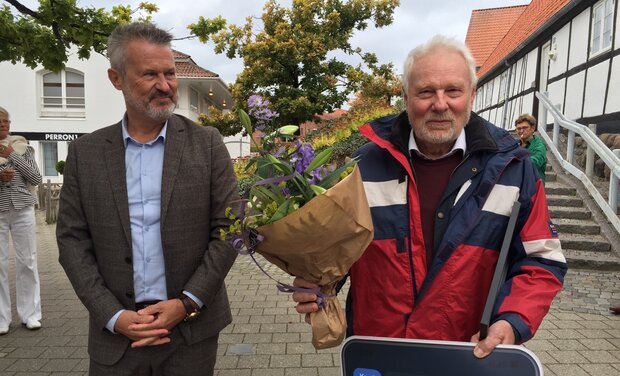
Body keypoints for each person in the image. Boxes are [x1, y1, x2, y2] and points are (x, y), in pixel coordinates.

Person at [293, 36, 567, 358]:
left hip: (468, 354)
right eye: (425, 92)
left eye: (453, 90)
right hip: (380, 352)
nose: (440, 104)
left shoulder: (513, 170)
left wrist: (513, 320)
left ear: (472, 95)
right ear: (406, 97)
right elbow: (336, 252)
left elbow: (542, 260)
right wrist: (318, 286)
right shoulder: (363, 167)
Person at [56, 23, 239, 375]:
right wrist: (112, 315)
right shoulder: (86, 153)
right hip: (117, 339)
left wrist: (187, 303)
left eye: (170, 73)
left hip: (190, 335)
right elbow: (72, 241)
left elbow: (230, 229)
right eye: (150, 74)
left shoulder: (207, 144)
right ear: (116, 78)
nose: (165, 85)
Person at [0, 106, 43, 335]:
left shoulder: (22, 146)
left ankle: (31, 315)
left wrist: (12, 156)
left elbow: (36, 177)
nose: (3, 125)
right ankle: (1, 319)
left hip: (22, 208)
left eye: (6, 121)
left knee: (27, 261)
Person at [515, 113, 547, 183]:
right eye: (518, 128)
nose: (521, 131)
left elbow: (535, 163)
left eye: (525, 128)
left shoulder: (539, 145)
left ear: (532, 128)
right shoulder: (515, 144)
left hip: (534, 186)